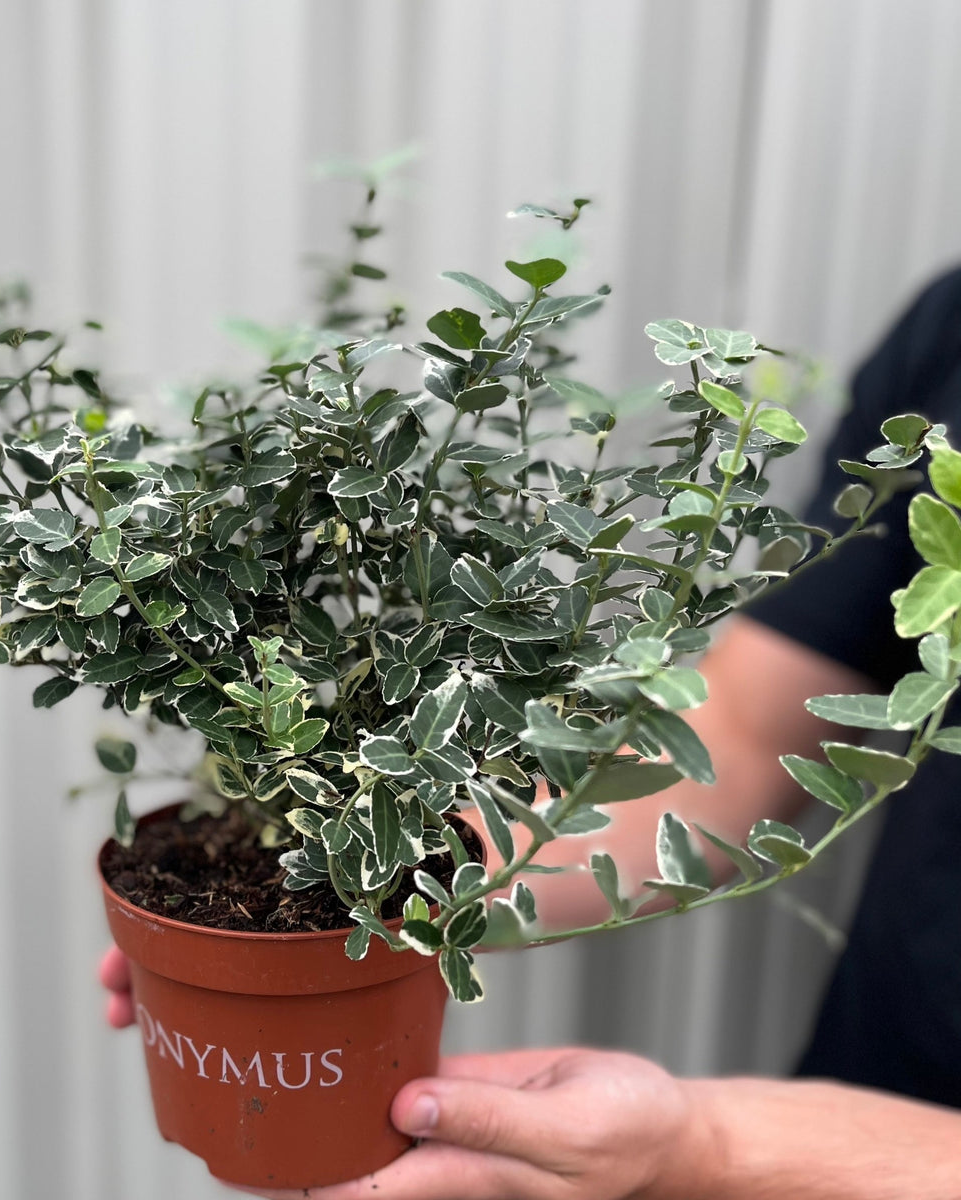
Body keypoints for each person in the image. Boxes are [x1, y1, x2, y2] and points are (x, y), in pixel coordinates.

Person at [100, 269, 961, 1197]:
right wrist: (439, 862)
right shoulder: (954, 328)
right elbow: (747, 735)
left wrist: (712, 1151)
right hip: (873, 1064)